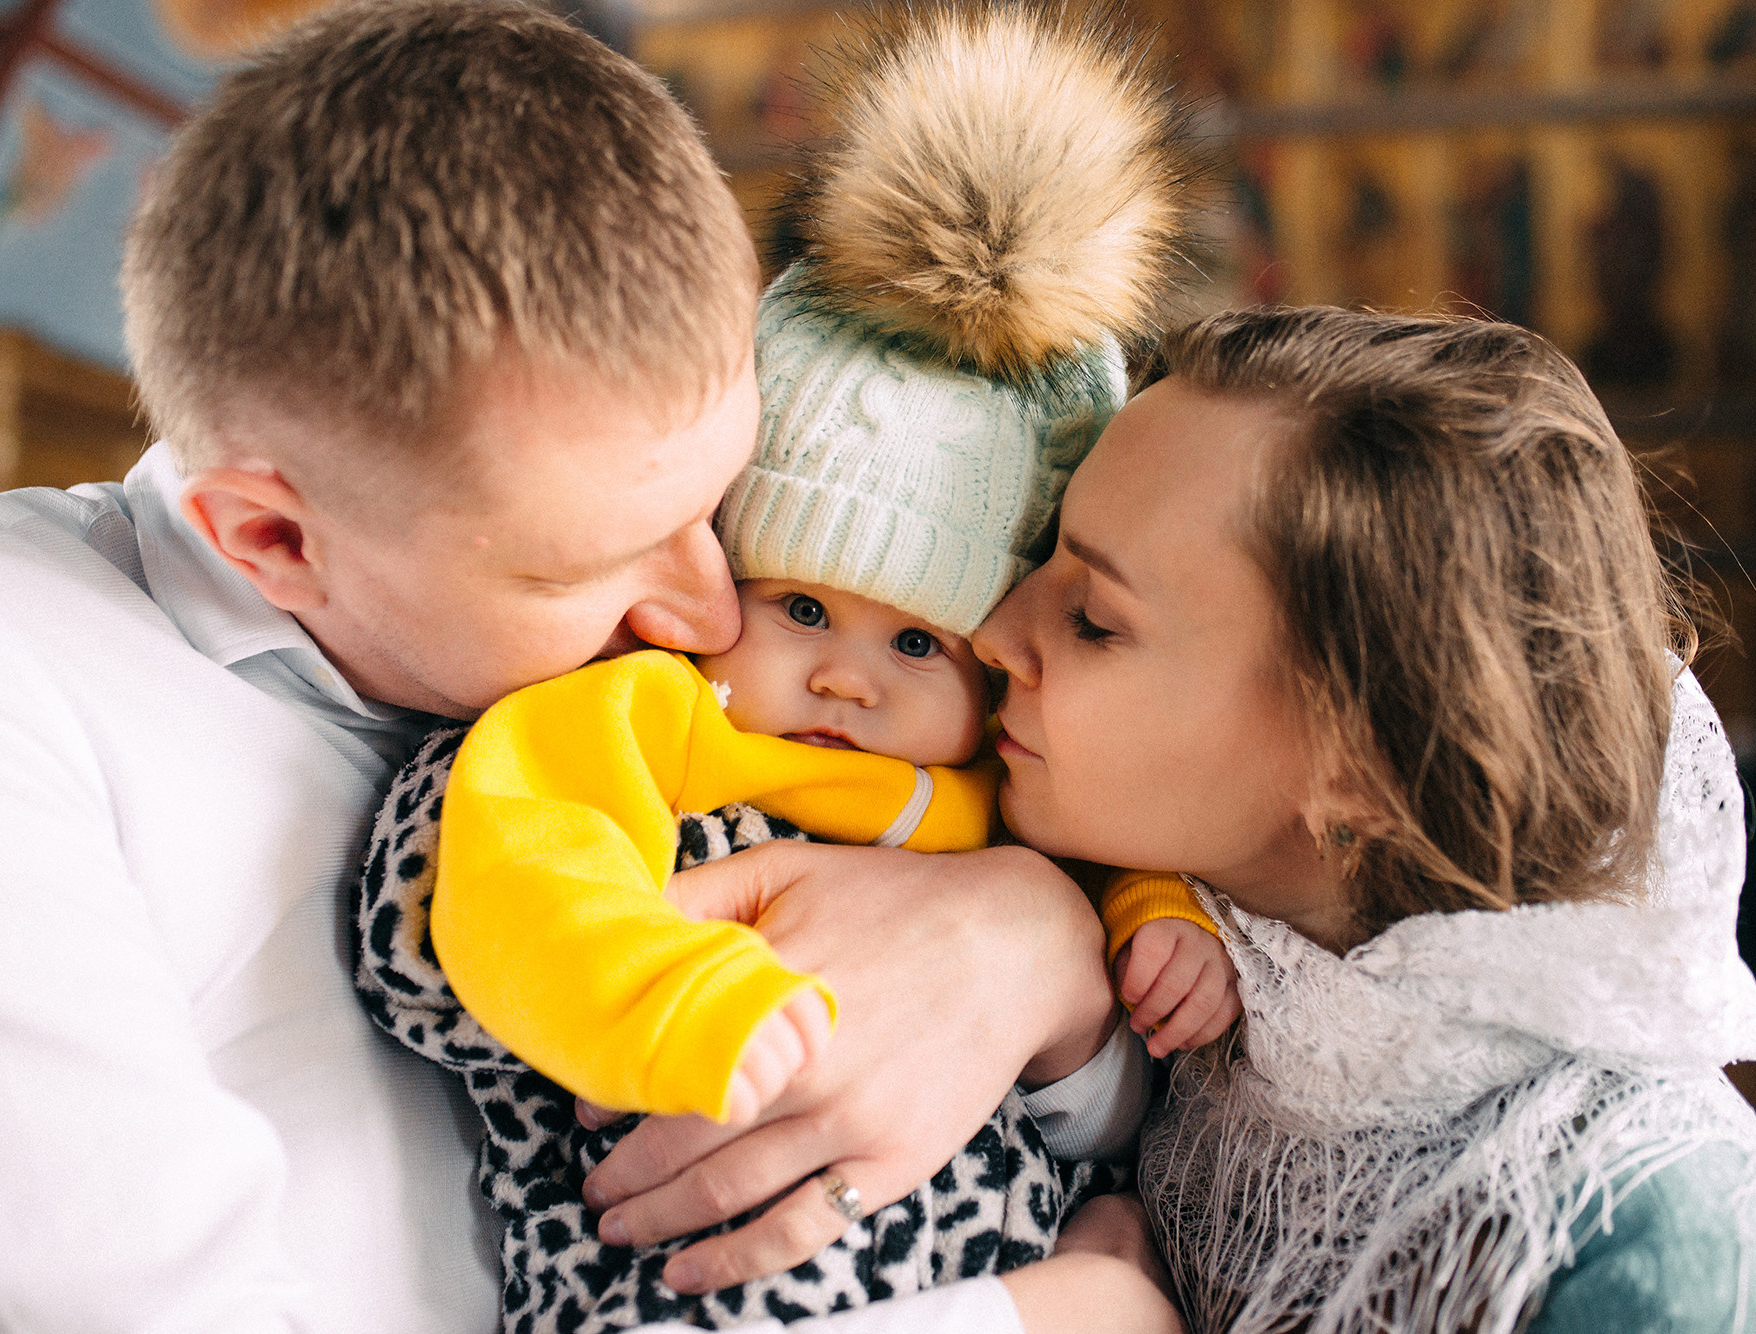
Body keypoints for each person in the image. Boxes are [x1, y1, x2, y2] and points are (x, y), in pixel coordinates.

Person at [0, 3, 1174, 1330]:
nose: (708, 607)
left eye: (722, 506)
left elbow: (1115, 1093)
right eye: (581, 567)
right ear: (270, 536)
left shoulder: (697, 693)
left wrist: (1041, 944)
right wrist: (1047, 1321)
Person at [354, 11, 1225, 1328]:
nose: (846, 680)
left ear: (992, 661)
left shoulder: (1017, 797)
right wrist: (664, 995)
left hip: (977, 1249)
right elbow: (508, 863)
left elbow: (1107, 1084)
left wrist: (1158, 935)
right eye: (802, 604)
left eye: (919, 641)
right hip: (672, 1262)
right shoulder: (652, 718)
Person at [969, 305, 1756, 1332]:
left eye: (1092, 621)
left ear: (1360, 766)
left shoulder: (1639, 1228)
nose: (991, 631)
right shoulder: (1194, 965)